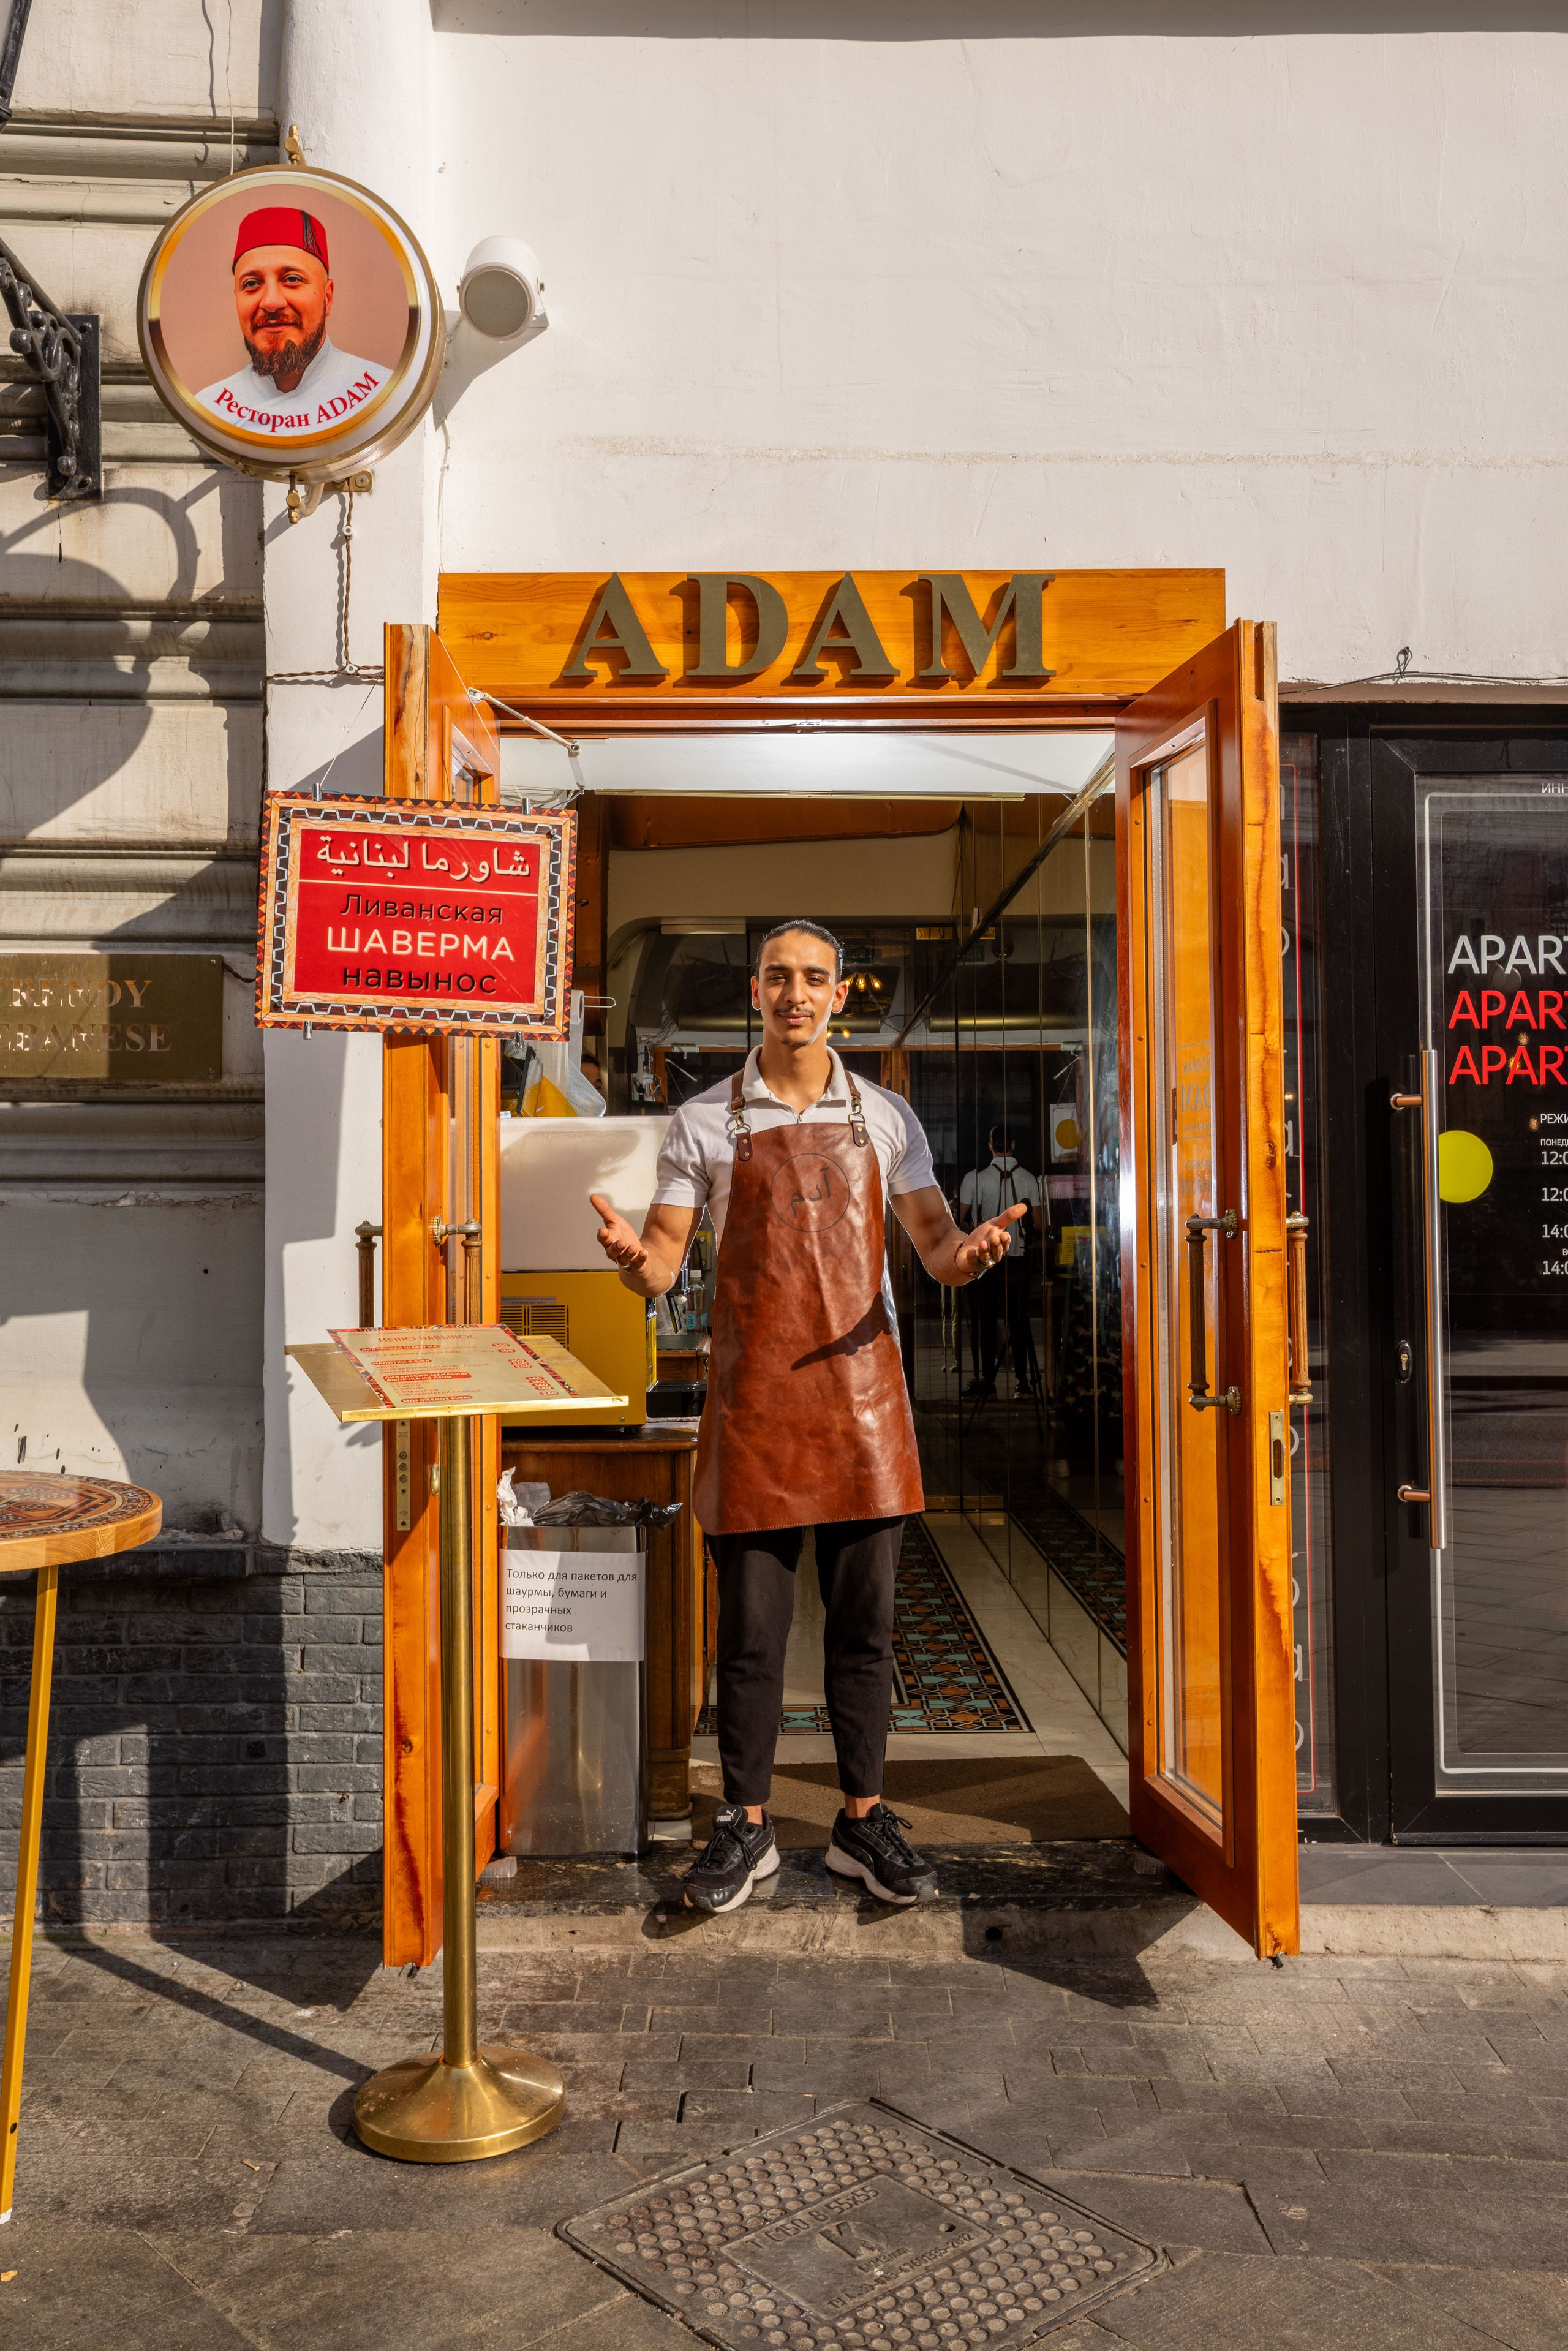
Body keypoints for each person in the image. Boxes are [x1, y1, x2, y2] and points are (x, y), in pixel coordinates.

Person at [590, 921, 1025, 1915]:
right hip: (753, 1410)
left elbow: (935, 1247)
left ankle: (860, 1820)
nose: (797, 992)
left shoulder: (886, 1116)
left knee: (867, 1631)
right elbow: (665, 1257)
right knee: (749, 1633)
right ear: (755, 992)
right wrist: (631, 1259)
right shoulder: (704, 1122)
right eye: (780, 976)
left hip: (864, 1404)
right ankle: (744, 1826)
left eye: (816, 977)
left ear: (840, 995)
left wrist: (978, 1253)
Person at [195, 207, 391, 437]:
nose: (271, 302)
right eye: (251, 284)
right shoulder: (208, 411)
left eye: (292, 279)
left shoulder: (383, 396)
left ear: (327, 298)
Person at [959, 1127, 1046, 1398]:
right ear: (1013, 1144)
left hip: (987, 1262)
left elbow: (959, 1220)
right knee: (1018, 1322)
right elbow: (1041, 1223)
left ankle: (987, 1381)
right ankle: (1022, 1382)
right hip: (1017, 1261)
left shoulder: (974, 1179)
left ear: (990, 1146)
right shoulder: (1030, 1179)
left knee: (985, 1322)